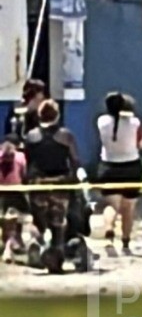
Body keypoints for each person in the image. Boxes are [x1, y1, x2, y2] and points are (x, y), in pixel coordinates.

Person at [23, 100, 81, 268]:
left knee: (38, 220)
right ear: (57, 115)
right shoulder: (66, 136)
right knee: (58, 222)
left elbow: (28, 162)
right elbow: (75, 160)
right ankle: (57, 253)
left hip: (38, 184)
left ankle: (37, 243)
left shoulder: (31, 136)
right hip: (60, 185)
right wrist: (75, 179)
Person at [96, 91, 142, 255]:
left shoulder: (102, 122)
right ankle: (125, 242)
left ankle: (109, 230)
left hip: (109, 167)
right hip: (131, 167)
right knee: (128, 207)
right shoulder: (135, 123)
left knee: (112, 205)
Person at [0, 133, 27, 258]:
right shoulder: (20, 156)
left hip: (1, 192)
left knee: (5, 220)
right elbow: (24, 173)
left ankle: (11, 244)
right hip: (15, 191)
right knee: (15, 219)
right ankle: (10, 246)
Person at [7, 79, 47, 143]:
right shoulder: (17, 109)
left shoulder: (43, 111)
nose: (42, 96)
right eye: (41, 93)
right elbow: (11, 131)